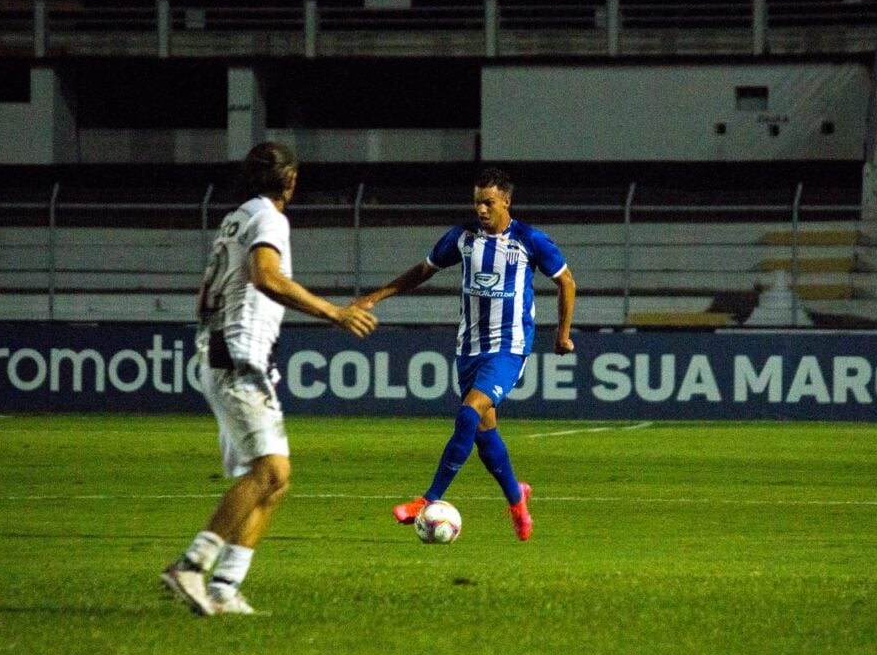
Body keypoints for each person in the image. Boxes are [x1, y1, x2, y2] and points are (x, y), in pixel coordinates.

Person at [162, 141, 378, 615]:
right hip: (238, 358)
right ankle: (191, 566)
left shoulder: (234, 218)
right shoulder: (269, 219)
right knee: (270, 472)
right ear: (290, 181)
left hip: (227, 352)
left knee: (273, 479)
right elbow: (266, 276)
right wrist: (334, 313)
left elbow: (205, 295)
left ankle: (223, 585)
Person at [355, 166, 575, 541]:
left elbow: (566, 283)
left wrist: (562, 335)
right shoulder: (462, 237)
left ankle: (426, 499)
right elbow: (423, 271)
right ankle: (516, 500)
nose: (482, 210)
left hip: (509, 348)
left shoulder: (530, 240)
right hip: (468, 348)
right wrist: (376, 296)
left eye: (489, 203)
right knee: (485, 435)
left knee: (468, 413)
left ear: (507, 201)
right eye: (477, 203)